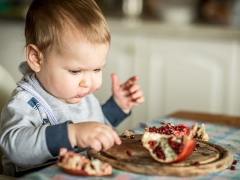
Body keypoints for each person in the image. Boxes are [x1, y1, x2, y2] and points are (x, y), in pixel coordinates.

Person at [0, 0, 144, 177]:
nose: (88, 83)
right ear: (37, 58)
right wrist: (71, 134)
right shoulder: (26, 102)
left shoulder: (77, 91)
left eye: (97, 69)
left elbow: (93, 125)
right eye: (75, 71)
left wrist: (118, 106)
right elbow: (14, 147)